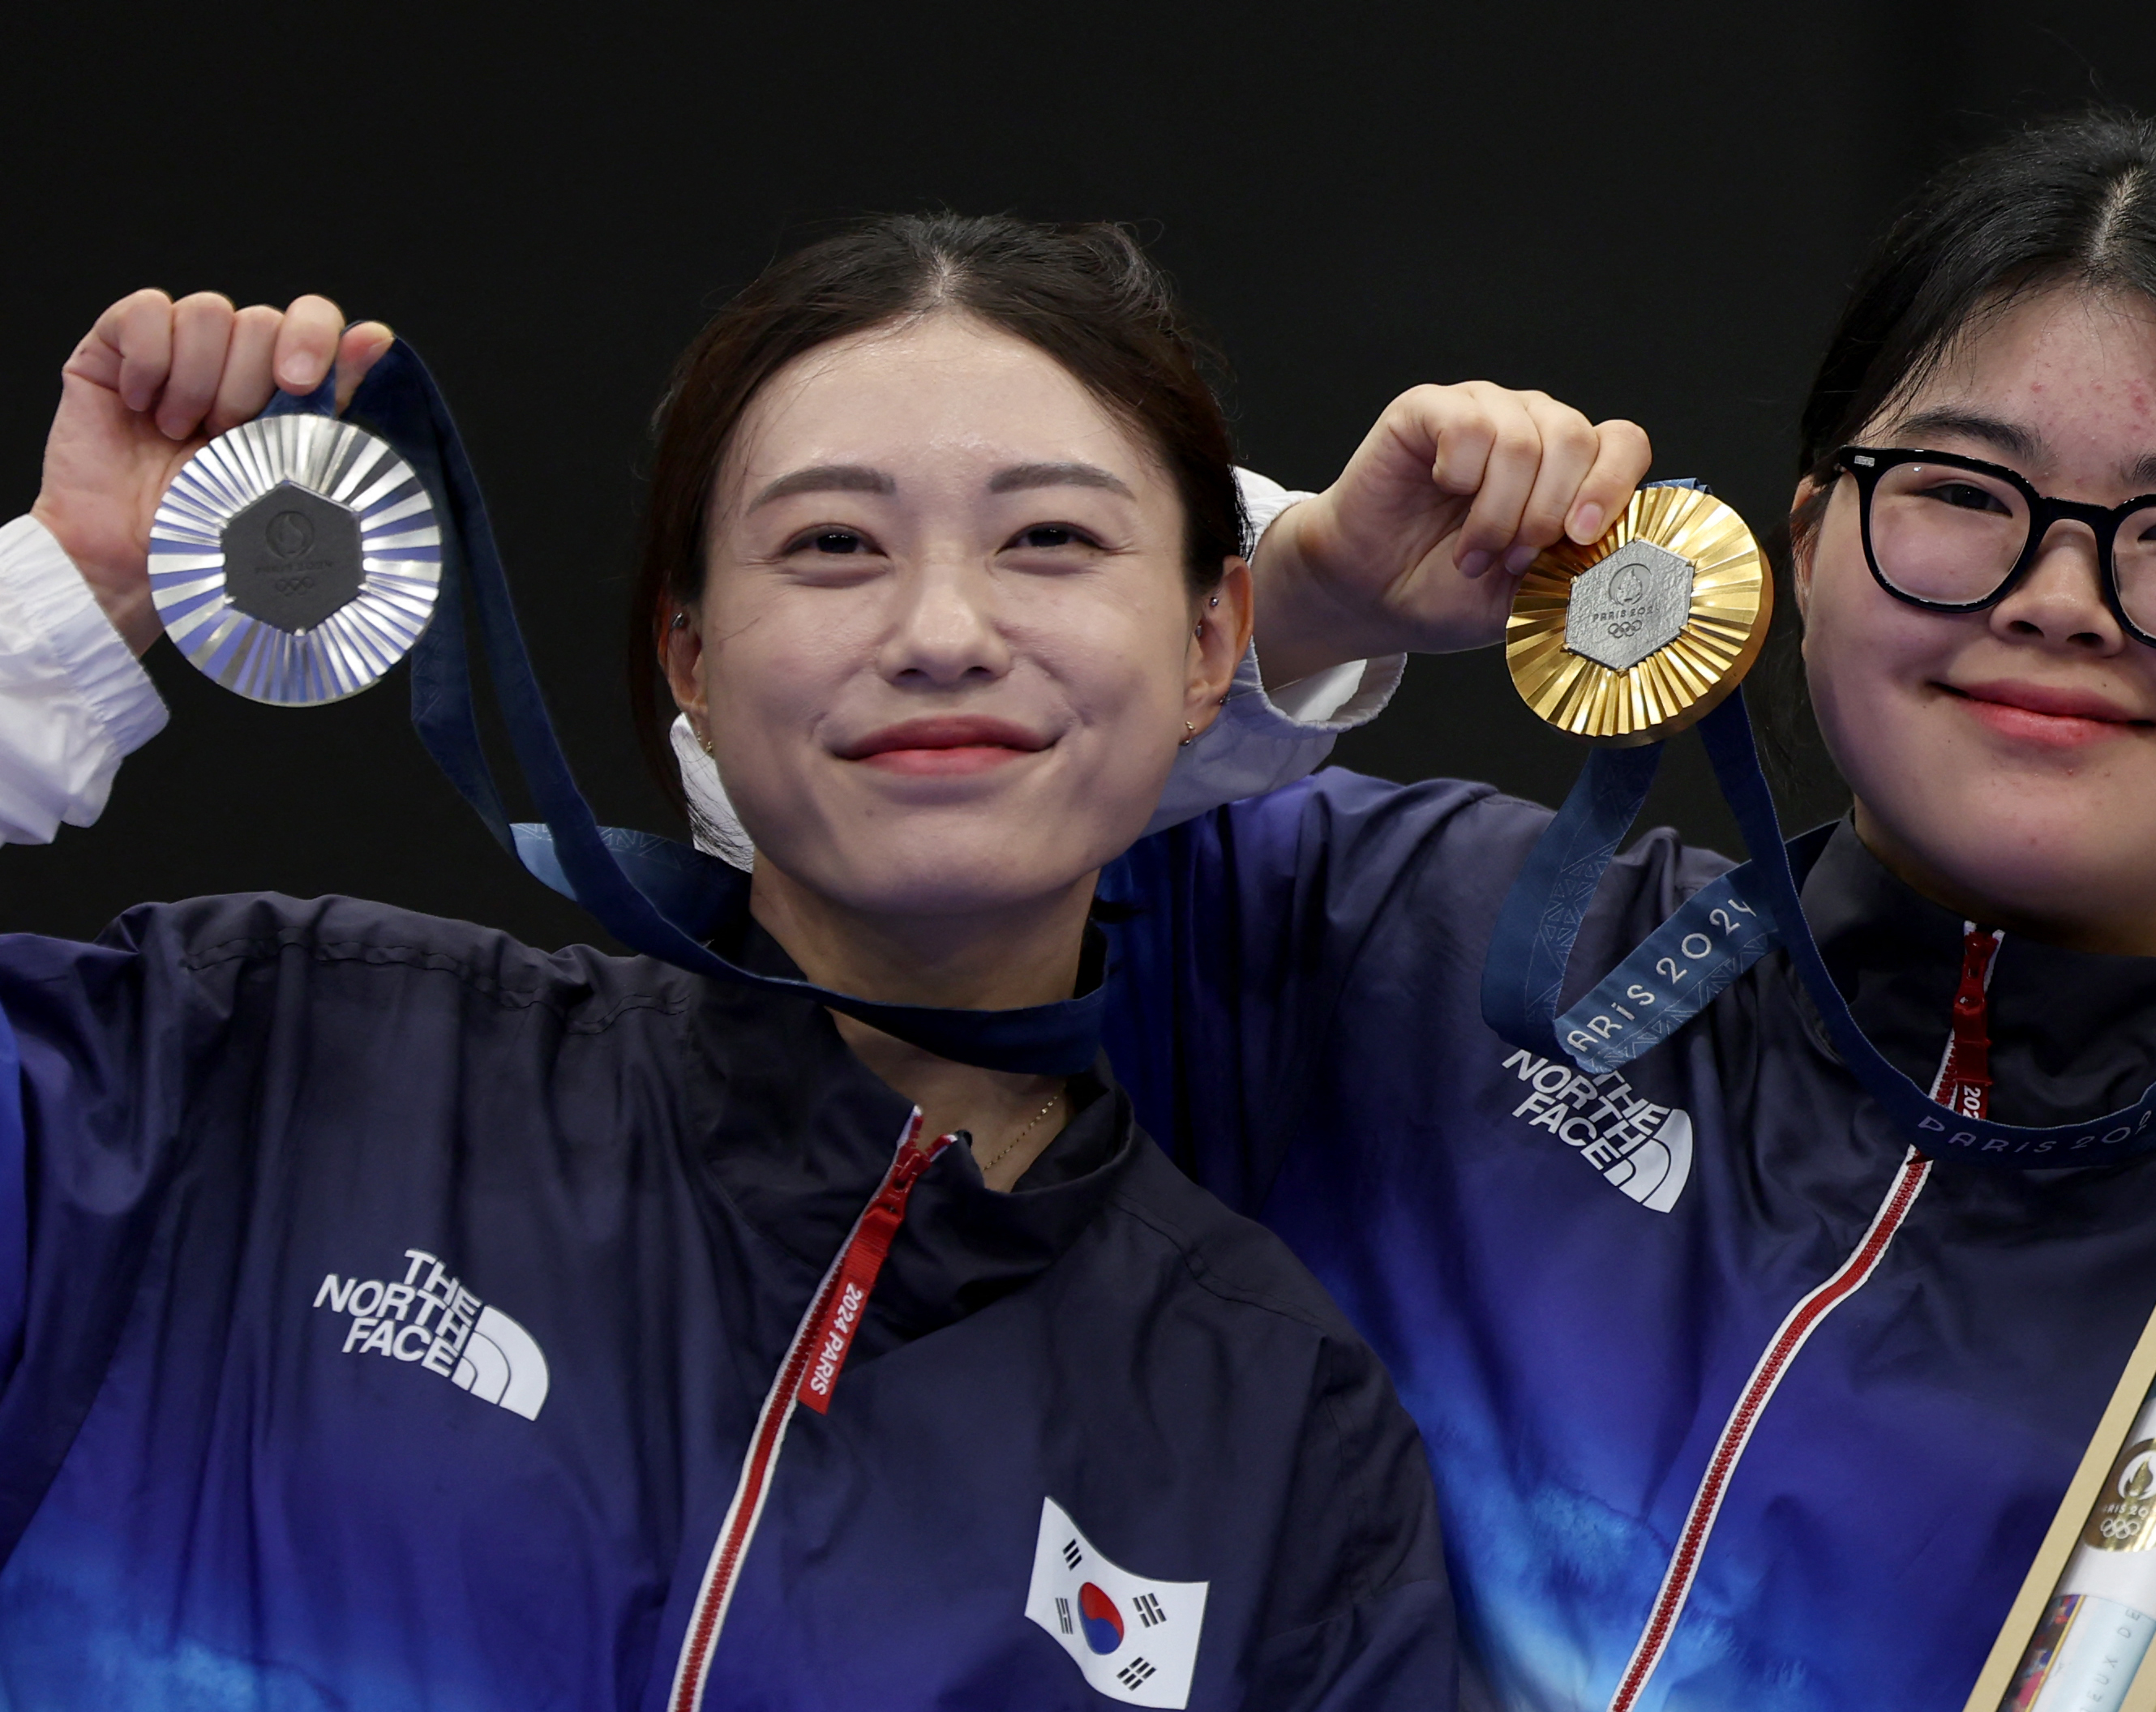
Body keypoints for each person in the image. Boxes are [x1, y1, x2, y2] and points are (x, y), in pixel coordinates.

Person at [0, 216, 1647, 1709]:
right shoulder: (264, 1064)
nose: (941, 629)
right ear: (689, 660)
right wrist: (66, 599)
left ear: (1216, 643)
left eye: (1054, 542)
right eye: (833, 547)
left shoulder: (1278, 1426)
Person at [1022, 114, 2156, 1710]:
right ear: (1806, 545)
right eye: (1965, 490)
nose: (2056, 596)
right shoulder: (1382, 944)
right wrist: (1301, 596)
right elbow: (813, 838)